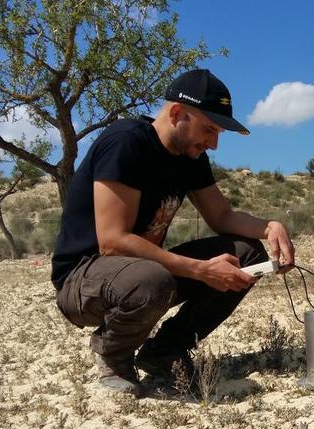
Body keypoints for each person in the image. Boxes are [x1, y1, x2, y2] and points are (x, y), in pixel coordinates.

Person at [51, 69, 295, 396]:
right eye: (209, 129)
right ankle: (114, 355)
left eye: (218, 133)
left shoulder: (190, 157)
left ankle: (164, 351)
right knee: (152, 279)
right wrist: (200, 270)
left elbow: (221, 215)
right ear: (177, 114)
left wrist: (270, 227)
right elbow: (113, 242)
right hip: (83, 279)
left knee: (247, 254)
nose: (214, 143)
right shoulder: (127, 142)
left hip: (144, 270)